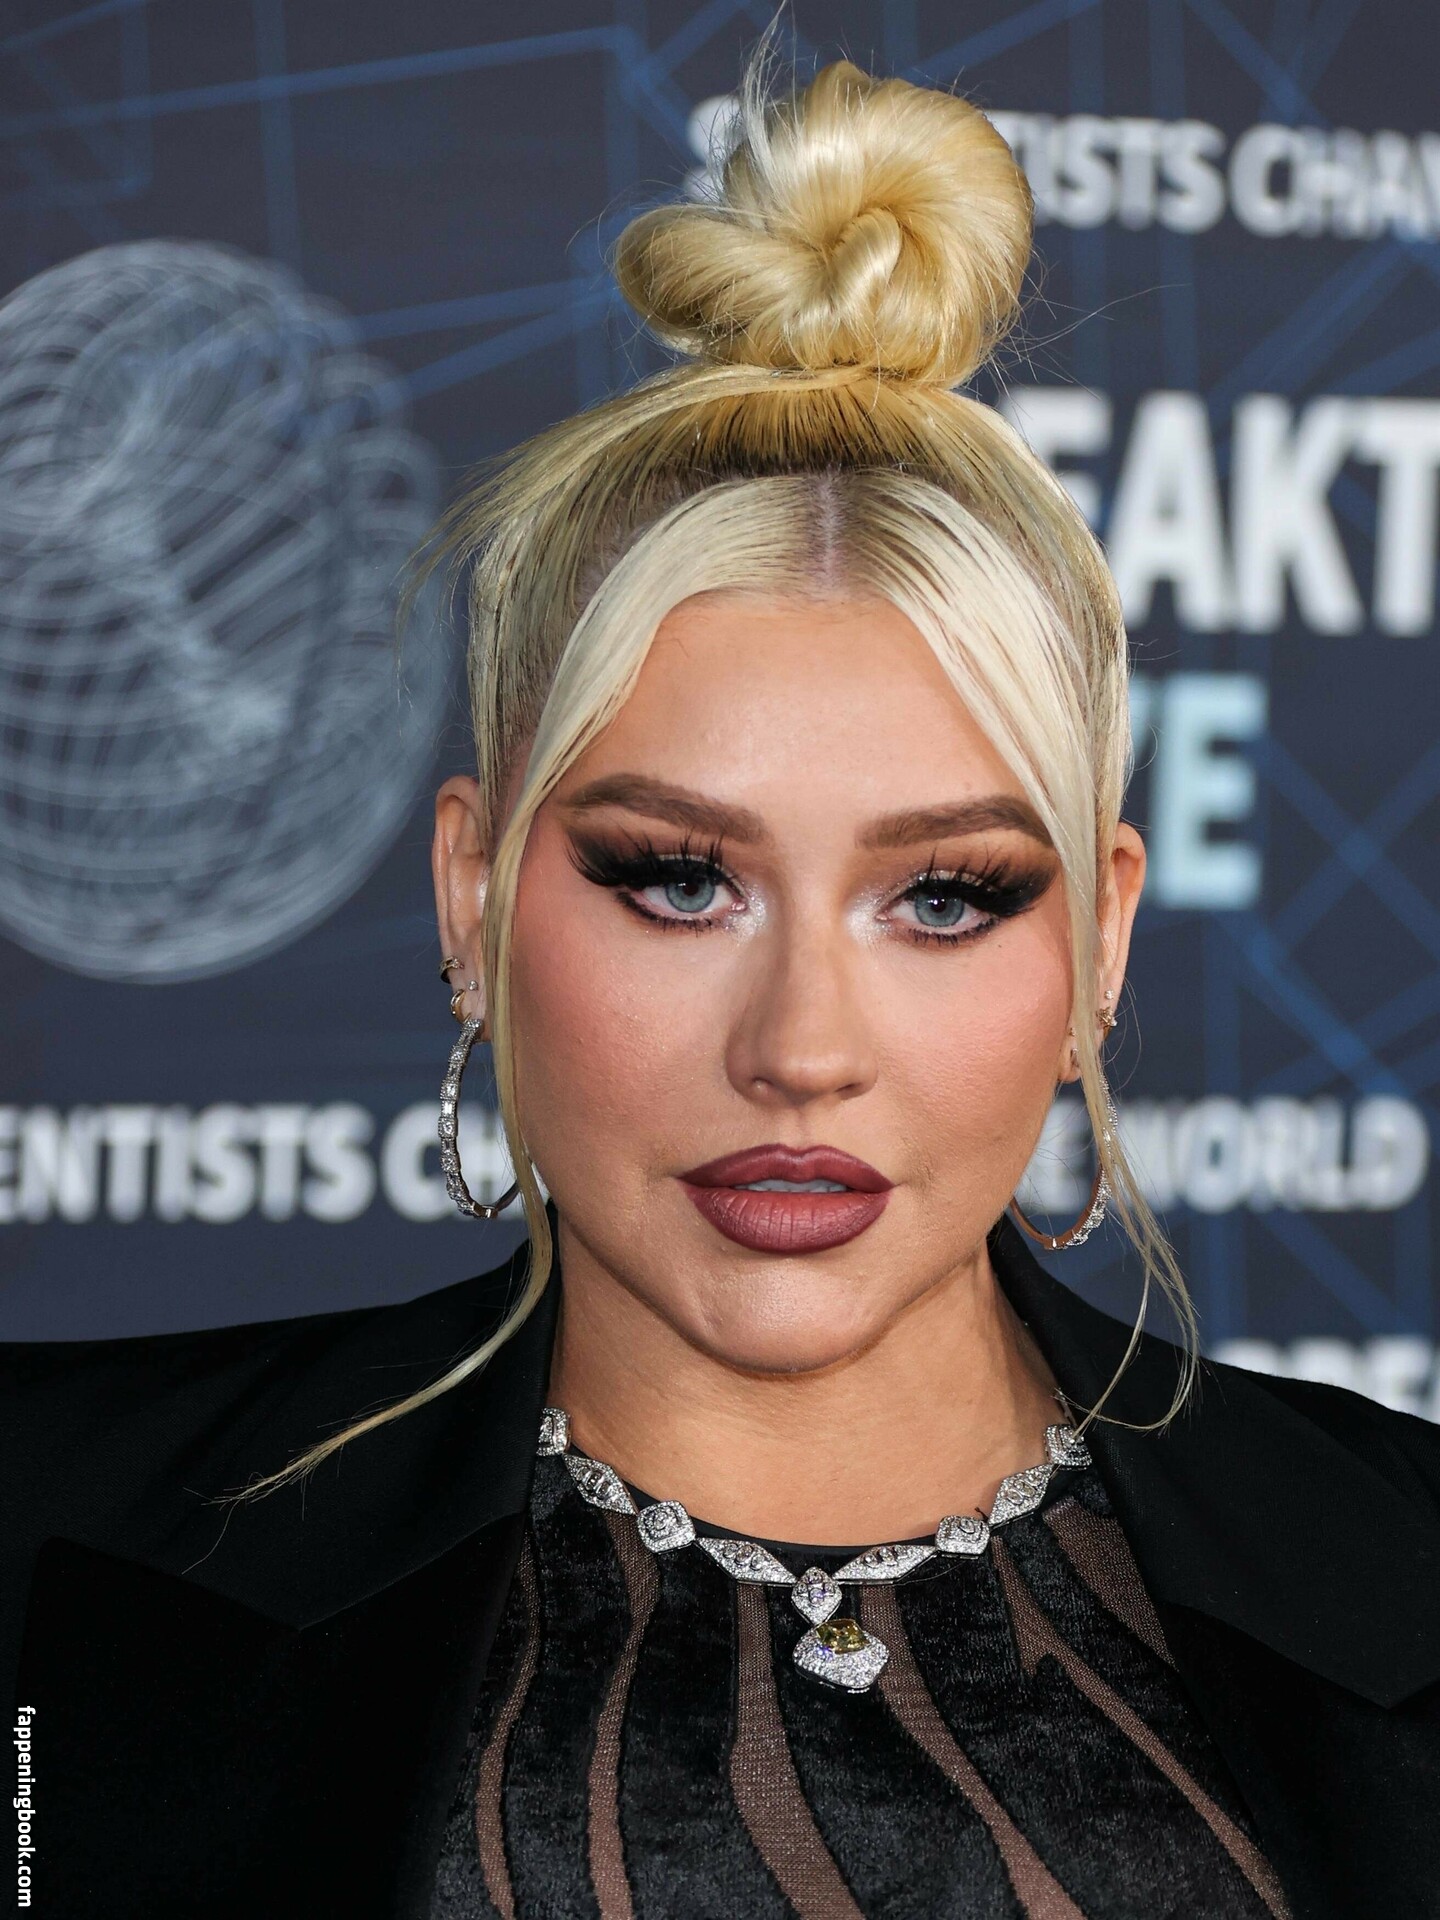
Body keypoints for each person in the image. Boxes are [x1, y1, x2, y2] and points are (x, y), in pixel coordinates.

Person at [6, 53, 1440, 1920]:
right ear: (471, 895)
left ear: (1099, 939)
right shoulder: (50, 1536)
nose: (801, 1050)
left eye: (945, 897)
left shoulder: (1407, 1568)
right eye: (681, 881)